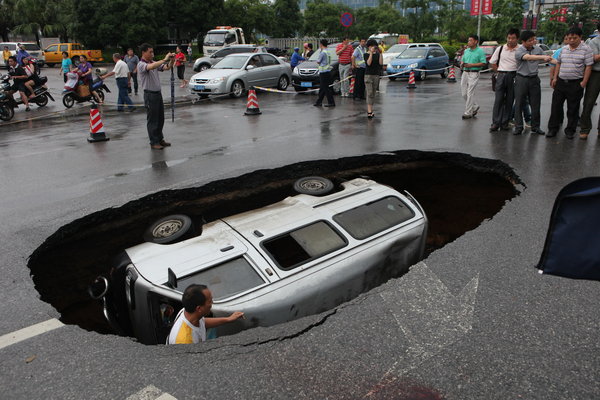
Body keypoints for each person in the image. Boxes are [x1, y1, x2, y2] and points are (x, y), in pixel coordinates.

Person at [547, 27, 593, 139]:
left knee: (573, 108)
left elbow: (588, 67)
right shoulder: (564, 49)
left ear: (580, 37)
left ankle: (570, 130)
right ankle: (553, 128)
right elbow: (558, 63)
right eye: (569, 38)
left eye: (574, 38)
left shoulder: (586, 50)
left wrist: (584, 82)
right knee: (556, 107)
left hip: (575, 83)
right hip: (561, 82)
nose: (571, 40)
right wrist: (555, 78)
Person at [166, 284, 244, 344]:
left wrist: (228, 319)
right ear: (199, 308)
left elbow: (202, 322)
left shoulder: (188, 312)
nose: (212, 303)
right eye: (210, 301)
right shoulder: (184, 341)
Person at [513, 30, 553, 135]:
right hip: (522, 79)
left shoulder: (538, 49)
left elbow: (548, 59)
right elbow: (528, 57)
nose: (533, 42)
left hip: (534, 79)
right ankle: (519, 127)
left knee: (535, 104)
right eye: (530, 40)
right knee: (519, 104)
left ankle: (535, 127)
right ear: (523, 41)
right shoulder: (519, 51)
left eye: (533, 39)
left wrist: (559, 62)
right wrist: (542, 57)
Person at [138, 43, 175, 150]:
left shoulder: (153, 62)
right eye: (150, 52)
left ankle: (159, 139)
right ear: (143, 52)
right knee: (153, 120)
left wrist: (171, 60)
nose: (152, 54)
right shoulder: (141, 64)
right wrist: (164, 59)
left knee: (160, 118)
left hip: (157, 94)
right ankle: (154, 141)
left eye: (152, 51)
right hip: (150, 95)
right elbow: (151, 67)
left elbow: (167, 67)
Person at [489, 28, 520, 132]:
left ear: (517, 39)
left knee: (510, 100)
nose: (510, 40)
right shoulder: (501, 48)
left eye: (513, 38)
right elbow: (493, 62)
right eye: (509, 38)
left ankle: (505, 123)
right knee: (498, 100)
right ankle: (495, 123)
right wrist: (498, 72)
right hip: (501, 75)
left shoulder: (520, 49)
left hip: (514, 76)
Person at [579, 22, 600, 139]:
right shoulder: (594, 42)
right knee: (589, 102)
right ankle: (585, 129)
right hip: (596, 74)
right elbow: (594, 58)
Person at [460, 35, 487, 120]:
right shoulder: (466, 51)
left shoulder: (480, 51)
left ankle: (468, 112)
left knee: (470, 92)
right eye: (468, 40)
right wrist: (462, 64)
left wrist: (472, 65)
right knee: (464, 93)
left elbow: (483, 63)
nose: (468, 42)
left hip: (474, 73)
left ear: (475, 41)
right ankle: (475, 106)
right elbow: (463, 60)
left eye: (470, 40)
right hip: (465, 72)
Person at [313, 39, 335, 108]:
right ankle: (319, 101)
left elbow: (318, 61)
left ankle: (331, 102)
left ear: (321, 44)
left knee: (325, 88)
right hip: (327, 71)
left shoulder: (322, 52)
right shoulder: (328, 52)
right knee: (322, 88)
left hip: (323, 72)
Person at [365, 38, 383, 118]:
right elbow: (368, 63)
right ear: (369, 47)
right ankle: (369, 111)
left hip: (376, 75)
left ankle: (371, 109)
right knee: (369, 93)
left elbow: (381, 63)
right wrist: (371, 54)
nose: (373, 48)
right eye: (371, 46)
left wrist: (381, 53)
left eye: (374, 46)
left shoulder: (378, 54)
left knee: (373, 93)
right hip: (368, 75)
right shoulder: (366, 54)